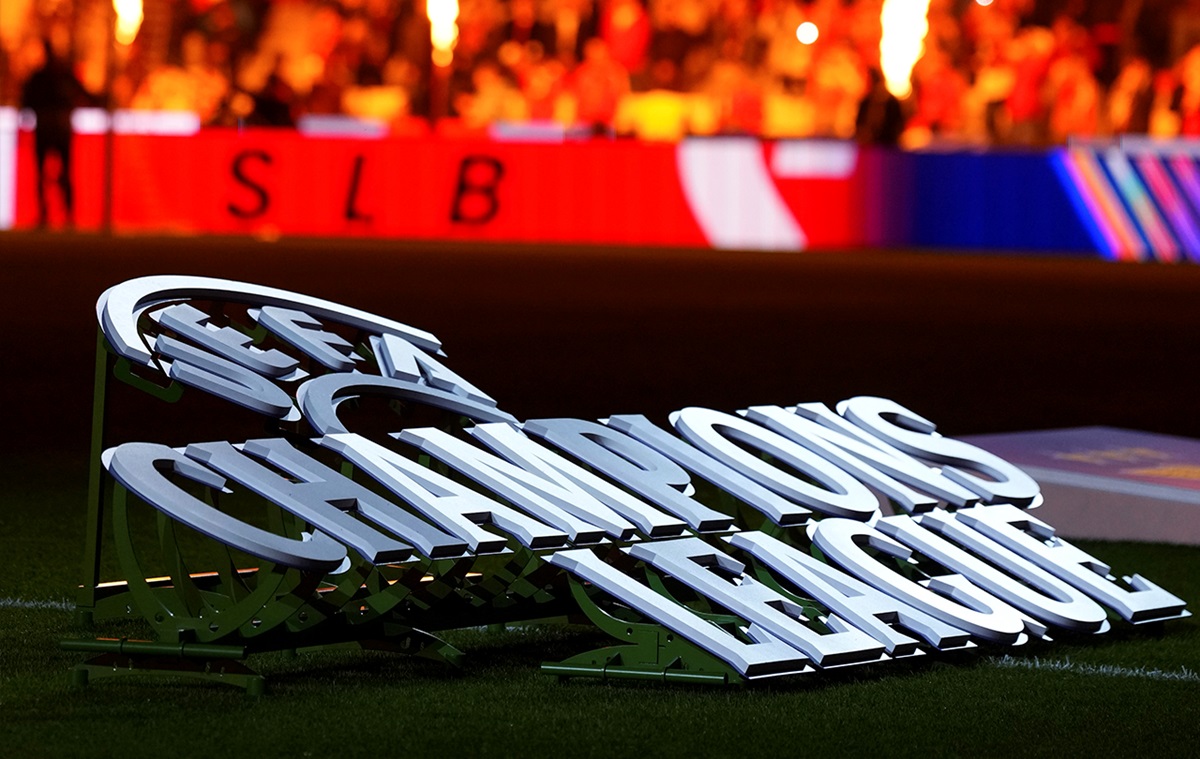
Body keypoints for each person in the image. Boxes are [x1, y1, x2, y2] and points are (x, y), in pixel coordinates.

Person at [21, 38, 90, 229]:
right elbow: (83, 95)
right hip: (59, 129)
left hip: (47, 129)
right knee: (61, 173)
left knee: (48, 174)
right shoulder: (61, 75)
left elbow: (26, 102)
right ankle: (63, 215)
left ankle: (49, 215)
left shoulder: (41, 77)